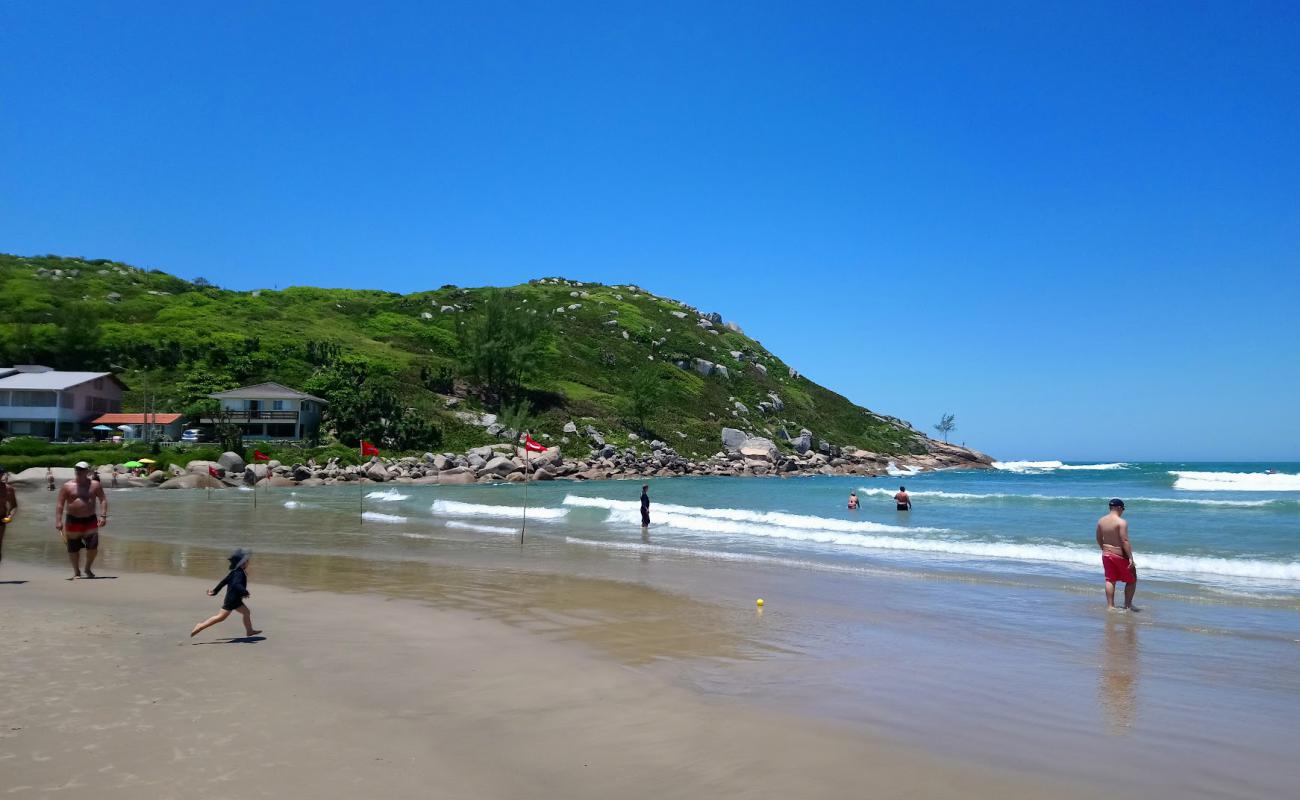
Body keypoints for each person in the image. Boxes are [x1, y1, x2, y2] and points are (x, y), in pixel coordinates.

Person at [191, 548, 262, 638]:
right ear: (243, 563)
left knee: (246, 612)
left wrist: (215, 591)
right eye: (247, 561)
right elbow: (237, 585)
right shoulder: (239, 574)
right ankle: (200, 625)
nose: (248, 562)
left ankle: (249, 631)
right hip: (232, 600)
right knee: (221, 617)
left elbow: (223, 582)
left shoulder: (234, 572)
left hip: (235, 599)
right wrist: (245, 592)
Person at [55, 461, 108, 579]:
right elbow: (60, 504)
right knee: (73, 547)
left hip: (90, 519)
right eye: (77, 469)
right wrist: (58, 520)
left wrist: (103, 516)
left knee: (93, 546)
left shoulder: (95, 485)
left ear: (87, 472)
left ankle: (88, 568)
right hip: (72, 520)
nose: (79, 471)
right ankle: (76, 571)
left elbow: (103, 499)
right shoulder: (67, 486)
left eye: (82, 469)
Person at [1097, 499, 1138, 611]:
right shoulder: (1121, 522)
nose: (1123, 511)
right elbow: (1124, 540)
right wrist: (1130, 557)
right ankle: (1128, 605)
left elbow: (1099, 538)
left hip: (1106, 554)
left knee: (1110, 579)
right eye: (1123, 509)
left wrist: (1104, 549)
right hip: (1119, 554)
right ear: (1119, 508)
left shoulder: (1101, 521)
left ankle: (1110, 606)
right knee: (1132, 579)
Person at [0, 466, 17, 566]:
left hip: (1, 518)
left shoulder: (8, 489)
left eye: (1, 474)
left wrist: (10, 516)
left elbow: (14, 506)